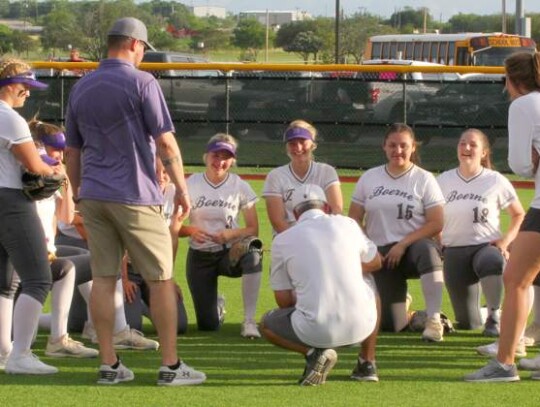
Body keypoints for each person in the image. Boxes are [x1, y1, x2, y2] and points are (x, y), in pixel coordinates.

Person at [65, 17, 205, 386]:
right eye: (143, 48)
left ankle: (109, 365)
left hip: (93, 194)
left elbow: (72, 152)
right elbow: (166, 143)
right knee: (160, 279)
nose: (143, 54)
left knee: (103, 279)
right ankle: (171, 366)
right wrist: (183, 189)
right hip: (134, 194)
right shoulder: (143, 81)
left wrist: (80, 196)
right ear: (133, 44)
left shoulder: (81, 86)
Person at [465, 51, 540, 382]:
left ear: (513, 80)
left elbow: (521, 166)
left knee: (516, 281)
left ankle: (504, 364)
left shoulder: (523, 105)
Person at [260, 184, 380, 386]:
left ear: (296, 213)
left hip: (313, 330)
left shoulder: (282, 240)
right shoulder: (348, 223)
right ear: (325, 207)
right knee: (368, 281)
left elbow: (283, 300)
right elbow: (376, 262)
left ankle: (313, 353)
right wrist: (343, 267)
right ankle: (367, 362)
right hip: (361, 328)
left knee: (266, 324)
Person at [349, 123, 446, 342]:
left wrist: (402, 244)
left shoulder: (424, 178)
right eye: (392, 145)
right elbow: (354, 217)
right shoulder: (370, 177)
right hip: (381, 254)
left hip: (413, 249)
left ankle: (433, 320)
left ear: (413, 148)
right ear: (384, 146)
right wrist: (369, 247)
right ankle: (408, 308)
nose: (398, 151)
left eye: (404, 145)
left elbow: (437, 222)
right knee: (391, 325)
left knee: (428, 250)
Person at [0, 58, 59, 374]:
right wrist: (53, 171)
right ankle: (20, 354)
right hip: (9, 199)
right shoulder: (9, 118)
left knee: (3, 282)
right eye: (25, 87)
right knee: (38, 278)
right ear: (10, 85)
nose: (28, 94)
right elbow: (34, 167)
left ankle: (3, 353)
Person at [437, 129, 524, 338]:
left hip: (485, 247)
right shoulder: (443, 180)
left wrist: (505, 241)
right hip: (454, 251)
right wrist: (438, 240)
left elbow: (519, 214)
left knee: (493, 260)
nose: (466, 148)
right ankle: (487, 311)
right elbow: (431, 217)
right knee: (468, 323)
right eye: (462, 143)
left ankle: (494, 315)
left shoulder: (495, 180)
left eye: (473, 144)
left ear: (484, 152)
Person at [178, 134, 262, 337]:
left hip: (228, 253)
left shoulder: (239, 185)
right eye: (216, 155)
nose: (220, 162)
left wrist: (231, 234)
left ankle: (249, 321)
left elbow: (253, 229)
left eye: (226, 157)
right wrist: (191, 230)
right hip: (200, 256)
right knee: (208, 325)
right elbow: (175, 226)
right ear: (206, 156)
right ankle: (216, 307)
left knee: (253, 254)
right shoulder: (191, 183)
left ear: (232, 161)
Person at [122, 158, 189, 335]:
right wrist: (123, 279)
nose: (160, 177)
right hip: (131, 269)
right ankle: (137, 306)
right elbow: (121, 240)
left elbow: (173, 238)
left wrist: (170, 277)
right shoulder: (133, 192)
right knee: (132, 327)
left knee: (179, 326)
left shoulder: (175, 195)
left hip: (157, 269)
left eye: (165, 172)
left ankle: (147, 306)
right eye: (155, 171)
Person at [262, 120, 342, 235]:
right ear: (286, 147)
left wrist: (320, 238)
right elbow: (278, 221)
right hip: (288, 238)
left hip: (322, 236)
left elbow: (336, 211)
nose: (298, 148)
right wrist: (301, 241)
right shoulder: (275, 176)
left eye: (303, 141)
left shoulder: (326, 171)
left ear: (312, 144)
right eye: (292, 143)